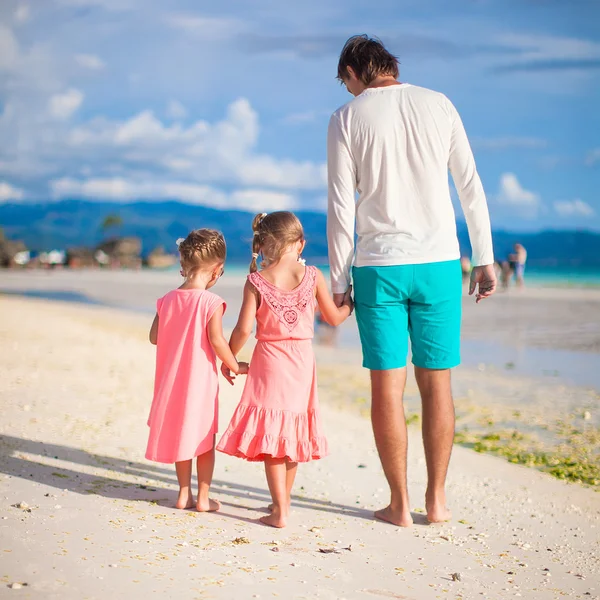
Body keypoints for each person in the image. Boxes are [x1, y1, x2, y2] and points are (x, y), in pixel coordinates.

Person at [327, 35, 496, 527]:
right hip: (440, 263)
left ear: (355, 71)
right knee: (437, 385)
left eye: (346, 82)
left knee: (387, 388)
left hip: (378, 264)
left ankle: (399, 506)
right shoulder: (438, 104)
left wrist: (339, 279)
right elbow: (470, 184)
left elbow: (340, 206)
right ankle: (437, 503)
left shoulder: (345, 118)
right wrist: (483, 256)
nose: (349, 91)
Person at [217, 212, 354, 528]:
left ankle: (280, 509)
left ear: (263, 244)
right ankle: (283, 502)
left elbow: (241, 330)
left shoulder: (256, 281)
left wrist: (232, 360)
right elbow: (333, 318)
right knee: (291, 432)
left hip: (269, 362)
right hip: (302, 362)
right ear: (301, 243)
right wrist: (350, 305)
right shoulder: (313, 275)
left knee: (272, 435)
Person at [146, 229, 248, 512]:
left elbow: (155, 337)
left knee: (182, 434)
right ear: (217, 270)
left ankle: (182, 493)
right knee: (203, 438)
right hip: (199, 384)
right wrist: (235, 365)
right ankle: (203, 498)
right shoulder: (211, 302)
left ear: (184, 265)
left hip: (171, 382)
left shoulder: (166, 300)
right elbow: (217, 341)